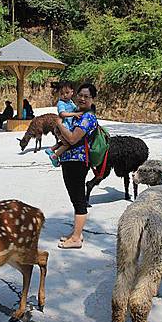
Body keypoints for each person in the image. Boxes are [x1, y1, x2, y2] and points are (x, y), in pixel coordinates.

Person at [54, 83, 99, 249]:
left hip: (77, 162)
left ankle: (76, 238)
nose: (82, 98)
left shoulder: (88, 117)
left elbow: (73, 139)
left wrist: (58, 124)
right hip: (71, 161)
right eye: (80, 95)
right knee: (75, 199)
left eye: (86, 96)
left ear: (92, 99)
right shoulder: (79, 115)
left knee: (79, 199)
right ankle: (76, 233)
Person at [45, 81, 83, 167]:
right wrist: (74, 114)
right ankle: (54, 156)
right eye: (62, 93)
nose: (64, 95)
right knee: (67, 143)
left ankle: (51, 149)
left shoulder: (70, 102)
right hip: (62, 128)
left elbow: (75, 109)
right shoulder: (61, 103)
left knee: (64, 141)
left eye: (67, 93)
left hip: (67, 128)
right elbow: (62, 114)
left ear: (72, 92)